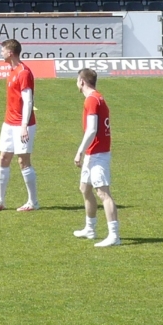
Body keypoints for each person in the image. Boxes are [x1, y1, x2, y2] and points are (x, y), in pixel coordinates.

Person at [71, 68, 119, 247]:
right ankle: (90, 228)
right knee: (85, 188)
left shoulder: (91, 100)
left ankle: (114, 235)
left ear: (82, 82)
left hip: (98, 153)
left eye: (77, 80)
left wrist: (80, 151)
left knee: (103, 193)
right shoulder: (98, 98)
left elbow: (92, 129)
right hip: (94, 152)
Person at [0, 37, 38, 212]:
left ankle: (33, 202)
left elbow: (28, 101)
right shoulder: (12, 70)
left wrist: (24, 125)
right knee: (4, 158)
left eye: (3, 50)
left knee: (23, 161)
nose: (1, 53)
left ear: (10, 53)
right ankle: (0, 201)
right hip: (9, 123)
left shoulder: (23, 72)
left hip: (22, 125)